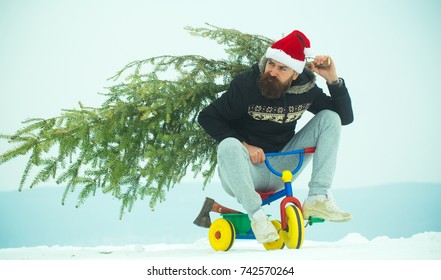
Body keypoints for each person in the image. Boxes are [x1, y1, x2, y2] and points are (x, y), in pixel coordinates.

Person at [197, 30, 354, 243]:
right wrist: (246, 146)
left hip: (283, 166)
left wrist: (333, 80)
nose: (272, 71)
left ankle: (318, 196)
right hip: (247, 172)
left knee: (329, 118)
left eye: (282, 68)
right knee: (228, 146)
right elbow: (208, 117)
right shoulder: (247, 86)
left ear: (295, 74)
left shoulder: (305, 90)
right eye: (271, 64)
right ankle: (257, 217)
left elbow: (343, 117)